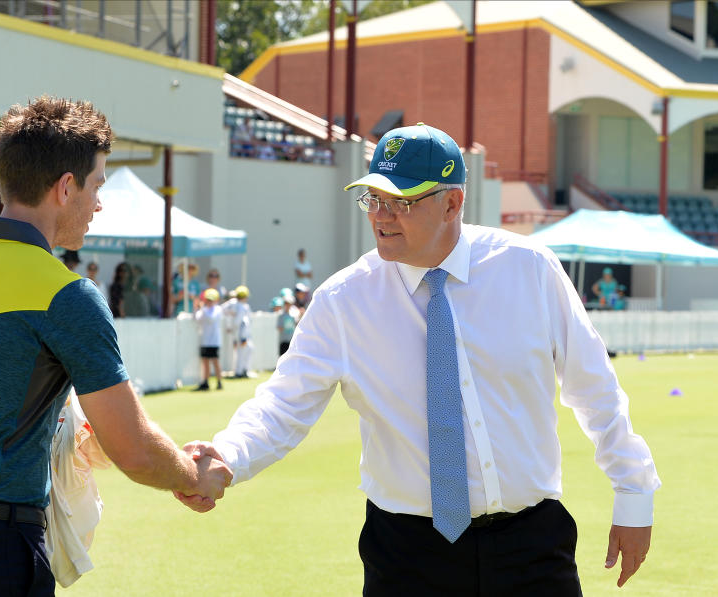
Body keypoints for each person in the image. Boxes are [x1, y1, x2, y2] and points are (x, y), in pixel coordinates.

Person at [177, 123, 659, 594]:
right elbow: (282, 405)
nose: (381, 216)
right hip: (406, 556)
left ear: (453, 203)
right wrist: (228, 459)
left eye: (402, 201)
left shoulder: (529, 269)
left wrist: (633, 493)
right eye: (374, 199)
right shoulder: (343, 301)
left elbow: (594, 387)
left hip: (531, 545)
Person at [0, 96, 232, 597]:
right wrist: (192, 476)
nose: (99, 202)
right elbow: (134, 450)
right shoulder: (66, 295)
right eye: (97, 184)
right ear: (65, 187)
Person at [193, 288, 224, 391]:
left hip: (214, 341)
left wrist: (202, 308)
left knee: (215, 361)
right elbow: (197, 319)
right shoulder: (204, 310)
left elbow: (211, 319)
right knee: (205, 361)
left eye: (211, 300)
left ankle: (219, 381)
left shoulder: (217, 309)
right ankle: (205, 381)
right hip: (205, 340)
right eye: (208, 299)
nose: (209, 302)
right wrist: (196, 308)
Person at [231, 285, 253, 378]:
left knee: (248, 350)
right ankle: (239, 372)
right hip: (242, 334)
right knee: (241, 352)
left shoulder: (243, 306)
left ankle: (244, 369)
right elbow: (238, 322)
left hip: (244, 333)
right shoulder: (240, 306)